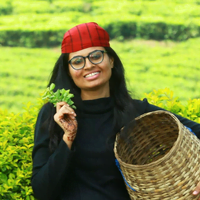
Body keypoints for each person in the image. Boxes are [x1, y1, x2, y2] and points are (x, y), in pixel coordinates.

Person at [31, 22, 200, 200]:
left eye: (96, 56)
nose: (88, 65)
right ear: (68, 71)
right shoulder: (55, 116)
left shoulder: (137, 112)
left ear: (111, 60)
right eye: (77, 61)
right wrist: (68, 137)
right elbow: (42, 191)